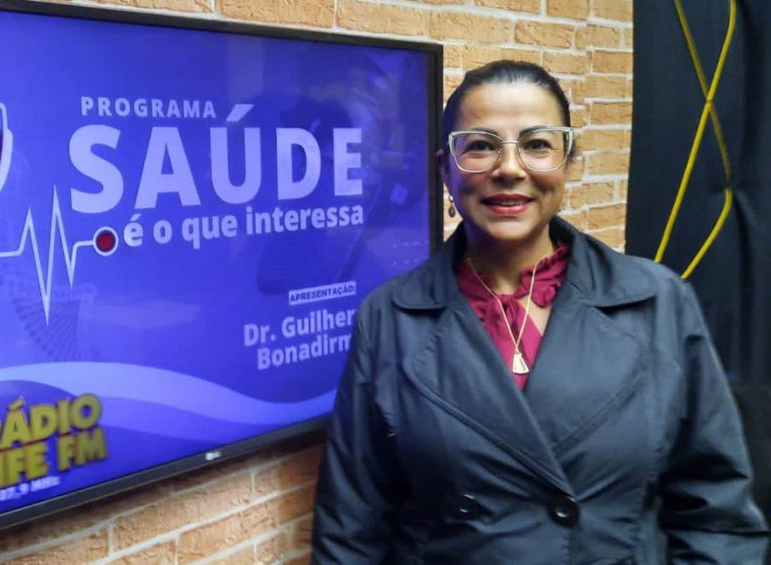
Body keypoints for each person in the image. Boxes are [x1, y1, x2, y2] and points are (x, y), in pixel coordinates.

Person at [310, 60, 768, 564]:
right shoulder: (389, 318)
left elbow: (717, 513)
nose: (509, 168)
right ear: (445, 169)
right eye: (481, 145)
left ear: (567, 163)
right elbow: (351, 531)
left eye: (536, 144)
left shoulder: (657, 301)